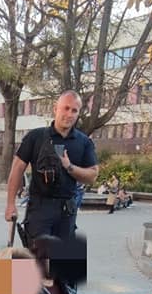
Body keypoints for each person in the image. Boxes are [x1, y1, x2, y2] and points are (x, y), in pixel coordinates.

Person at [5, 91, 99, 242]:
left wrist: (70, 167)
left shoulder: (83, 142)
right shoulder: (35, 137)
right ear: (55, 109)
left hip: (66, 211)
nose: (69, 114)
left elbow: (93, 175)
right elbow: (17, 169)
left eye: (74, 110)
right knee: (35, 262)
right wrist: (10, 204)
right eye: (66, 108)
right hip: (39, 208)